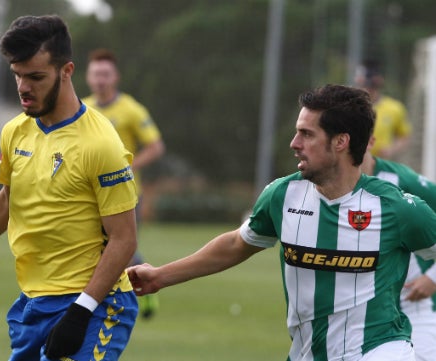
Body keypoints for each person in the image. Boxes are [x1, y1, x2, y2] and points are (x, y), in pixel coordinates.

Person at [127, 84, 436, 360]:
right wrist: (159, 277)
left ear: (341, 142)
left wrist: (432, 278)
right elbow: (236, 244)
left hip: (380, 350)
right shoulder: (282, 196)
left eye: (307, 134)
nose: (294, 143)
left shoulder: (396, 208)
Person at [0, 15, 139, 361]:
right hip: (34, 303)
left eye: (36, 77)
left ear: (66, 70)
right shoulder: (15, 131)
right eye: (17, 75)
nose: (24, 87)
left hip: (93, 304)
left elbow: (125, 239)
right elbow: (13, 195)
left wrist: (82, 310)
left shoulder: (100, 145)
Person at [83, 48, 165, 319]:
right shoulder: (81, 108)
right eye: (96, 74)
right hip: (89, 196)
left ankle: (147, 292)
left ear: (115, 77)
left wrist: (129, 167)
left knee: (122, 248)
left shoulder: (130, 109)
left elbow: (155, 146)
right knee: (95, 249)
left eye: (105, 74)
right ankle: (97, 301)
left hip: (126, 194)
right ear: (87, 77)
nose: (100, 80)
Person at [361, 139, 436, 361]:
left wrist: (433, 277)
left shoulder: (403, 181)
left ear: (370, 140)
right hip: (365, 317)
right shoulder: (326, 188)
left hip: (415, 305)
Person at [354, 59, 412, 159]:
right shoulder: (349, 106)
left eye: (370, 85)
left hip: (380, 163)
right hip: (353, 163)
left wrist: (391, 149)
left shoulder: (394, 108)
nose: (367, 89)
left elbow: (404, 136)